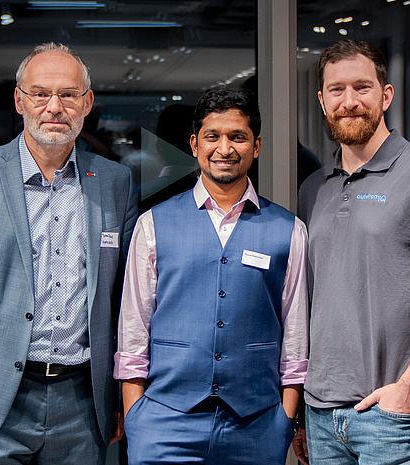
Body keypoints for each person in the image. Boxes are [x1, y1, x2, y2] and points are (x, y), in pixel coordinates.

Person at [0, 42, 137, 465]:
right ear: (19, 100)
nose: (54, 107)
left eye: (68, 95)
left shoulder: (115, 182)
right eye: (40, 94)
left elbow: (123, 301)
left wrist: (121, 395)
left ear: (87, 102)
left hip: (82, 401)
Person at [297, 39, 410, 464]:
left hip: (393, 417)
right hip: (321, 413)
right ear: (323, 102)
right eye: (337, 90)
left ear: (386, 95)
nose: (349, 102)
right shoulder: (314, 189)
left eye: (362, 87)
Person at [116, 87, 308, 464]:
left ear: (256, 146)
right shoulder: (152, 224)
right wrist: (136, 415)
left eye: (238, 137)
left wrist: (286, 418)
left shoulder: (289, 229)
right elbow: (133, 328)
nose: (225, 148)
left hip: (258, 424)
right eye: (213, 137)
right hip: (163, 424)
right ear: (194, 144)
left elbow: (296, 331)